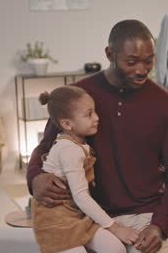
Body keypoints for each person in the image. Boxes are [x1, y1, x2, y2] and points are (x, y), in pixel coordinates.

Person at [27, 20, 168, 253]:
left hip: (146, 217)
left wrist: (160, 225)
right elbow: (44, 148)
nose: (142, 70)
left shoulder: (167, 106)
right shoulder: (77, 97)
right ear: (109, 54)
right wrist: (34, 177)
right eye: (131, 62)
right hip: (88, 218)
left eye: (149, 61)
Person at [32, 86, 138, 253]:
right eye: (89, 114)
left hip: (77, 215)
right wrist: (116, 228)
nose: (96, 118)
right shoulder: (69, 150)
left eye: (95, 111)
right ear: (67, 124)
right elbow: (81, 196)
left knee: (115, 248)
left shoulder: (80, 144)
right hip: (55, 221)